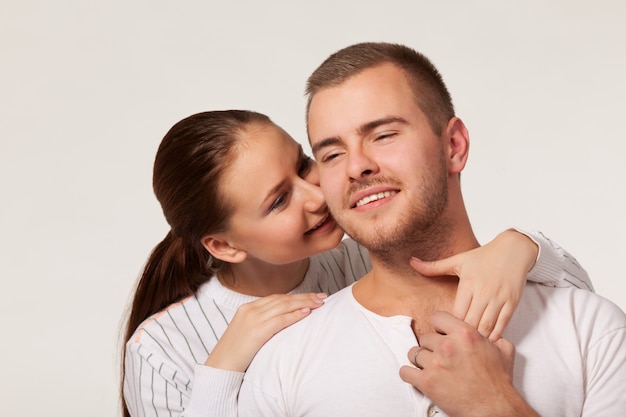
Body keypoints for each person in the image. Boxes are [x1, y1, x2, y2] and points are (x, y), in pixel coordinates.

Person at [237, 42, 626, 417]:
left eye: (384, 135)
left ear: (453, 146)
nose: (357, 167)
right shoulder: (282, 361)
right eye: (332, 154)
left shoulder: (593, 330)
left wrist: (493, 406)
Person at [121, 110, 593, 417]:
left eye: (304, 164)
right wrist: (223, 369)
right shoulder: (161, 348)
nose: (316, 194)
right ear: (224, 247)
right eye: (279, 200)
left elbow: (578, 303)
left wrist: (522, 247)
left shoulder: (367, 256)